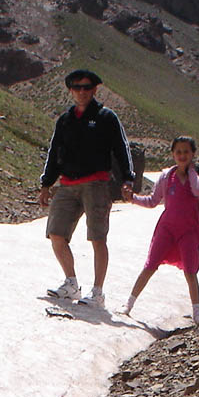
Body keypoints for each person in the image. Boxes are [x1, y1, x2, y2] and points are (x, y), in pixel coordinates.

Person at [39, 69, 135, 309]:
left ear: (94, 90)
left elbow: (121, 149)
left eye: (86, 87)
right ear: (71, 90)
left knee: (97, 237)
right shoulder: (65, 120)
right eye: (77, 87)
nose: (81, 91)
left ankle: (98, 292)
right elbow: (54, 153)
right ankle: (71, 282)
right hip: (67, 185)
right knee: (56, 234)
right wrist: (46, 184)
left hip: (96, 184)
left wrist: (127, 179)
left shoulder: (106, 117)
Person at [119, 136, 199, 324]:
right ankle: (128, 305)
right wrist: (133, 198)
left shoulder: (198, 177)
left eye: (186, 152)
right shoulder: (166, 177)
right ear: (173, 154)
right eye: (178, 152)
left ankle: (197, 313)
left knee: (190, 270)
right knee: (150, 265)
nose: (182, 155)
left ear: (193, 154)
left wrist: (196, 172)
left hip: (189, 230)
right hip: (167, 228)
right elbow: (153, 201)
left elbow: (198, 189)